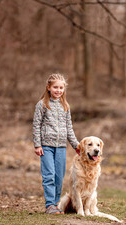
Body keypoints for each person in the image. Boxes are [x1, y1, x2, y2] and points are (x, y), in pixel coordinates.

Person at [32, 73, 80, 215]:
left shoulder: (65, 106)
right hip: (46, 146)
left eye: (61, 88)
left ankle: (56, 204)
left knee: (59, 176)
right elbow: (36, 125)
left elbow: (69, 128)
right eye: (55, 87)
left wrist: (76, 145)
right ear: (48, 87)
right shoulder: (42, 104)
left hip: (61, 147)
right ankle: (49, 205)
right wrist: (37, 145)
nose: (58, 90)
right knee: (49, 175)